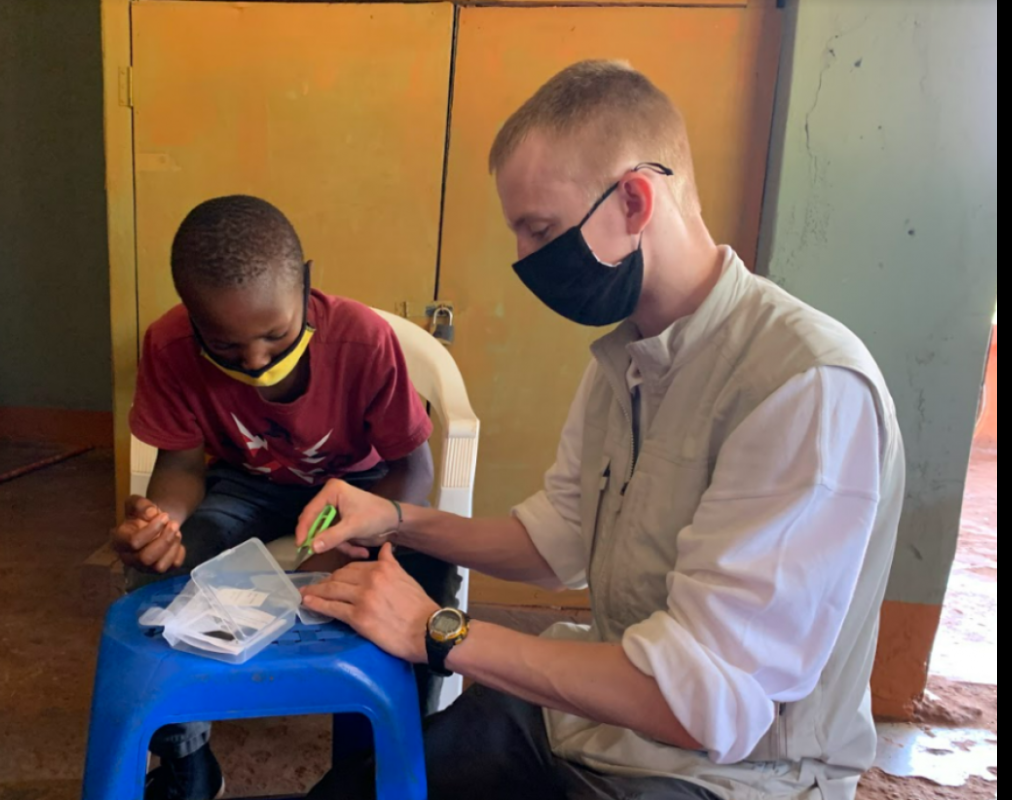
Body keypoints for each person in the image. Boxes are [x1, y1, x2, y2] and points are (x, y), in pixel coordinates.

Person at [296, 61, 906, 800]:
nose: (524, 260)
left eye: (541, 230)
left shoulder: (803, 387)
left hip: (729, 776)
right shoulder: (627, 360)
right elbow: (555, 544)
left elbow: (701, 703)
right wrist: (397, 519)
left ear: (636, 199)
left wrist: (439, 632)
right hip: (595, 719)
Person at [111, 196, 459, 800]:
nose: (255, 360)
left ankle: (375, 766)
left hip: (359, 491)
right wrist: (161, 523)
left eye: (275, 334)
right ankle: (189, 763)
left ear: (304, 283)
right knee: (157, 588)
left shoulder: (363, 343)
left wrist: (353, 535)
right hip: (245, 489)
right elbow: (183, 468)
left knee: (423, 574)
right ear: (191, 319)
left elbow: (413, 469)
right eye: (223, 345)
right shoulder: (167, 347)